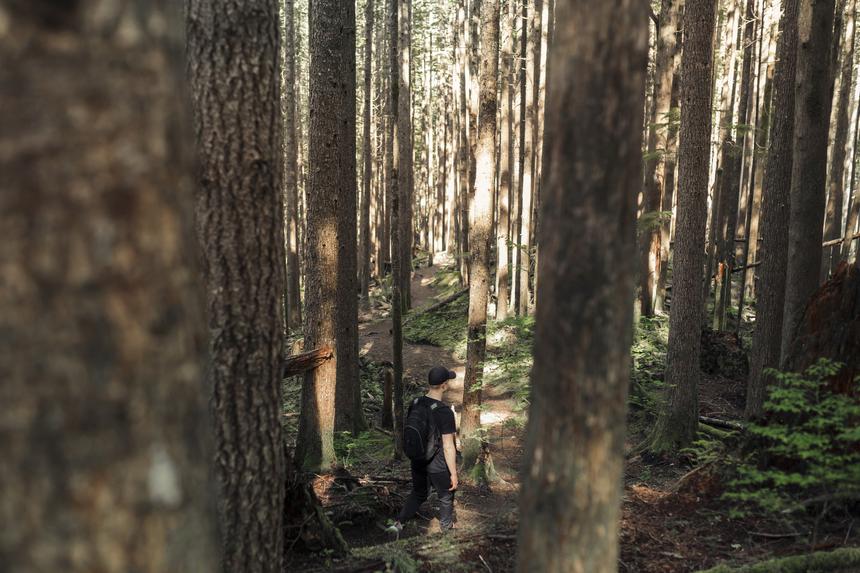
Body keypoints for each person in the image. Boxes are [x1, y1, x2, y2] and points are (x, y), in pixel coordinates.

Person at [387, 366, 459, 534]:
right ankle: (447, 531)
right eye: (447, 381)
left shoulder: (415, 402)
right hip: (437, 462)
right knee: (446, 495)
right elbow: (448, 446)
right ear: (444, 385)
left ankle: (397, 524)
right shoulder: (444, 411)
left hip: (417, 458)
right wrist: (453, 473)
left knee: (419, 492)